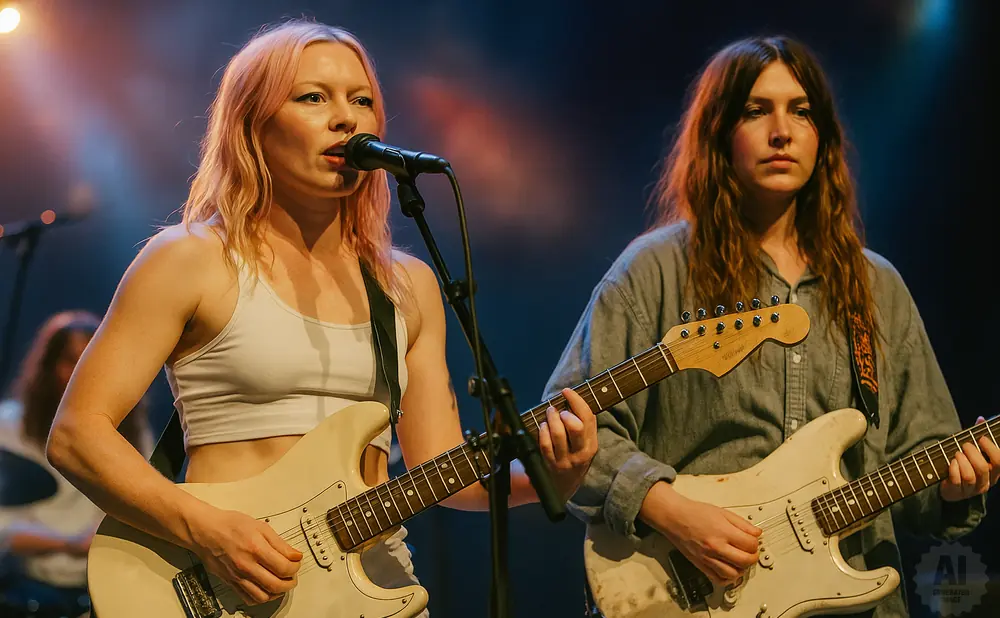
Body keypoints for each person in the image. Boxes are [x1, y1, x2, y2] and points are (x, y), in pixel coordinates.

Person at [44, 18, 598, 613]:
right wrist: (206, 528)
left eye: (362, 100)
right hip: (233, 586)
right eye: (313, 97)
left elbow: (442, 472)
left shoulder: (406, 285)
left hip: (375, 591)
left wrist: (544, 479)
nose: (347, 118)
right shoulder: (190, 259)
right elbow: (78, 435)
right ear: (252, 125)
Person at [543, 36, 997, 617]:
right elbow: (570, 426)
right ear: (718, 134)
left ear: (823, 138)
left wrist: (956, 486)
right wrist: (669, 510)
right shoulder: (654, 270)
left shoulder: (877, 287)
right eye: (757, 111)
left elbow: (920, 462)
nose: (781, 131)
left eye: (801, 112)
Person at [0, 310, 151, 616]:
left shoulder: (133, 433)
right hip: (25, 587)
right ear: (49, 367)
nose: (82, 375)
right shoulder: (9, 427)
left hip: (99, 589)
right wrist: (72, 544)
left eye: (91, 363)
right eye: (71, 362)